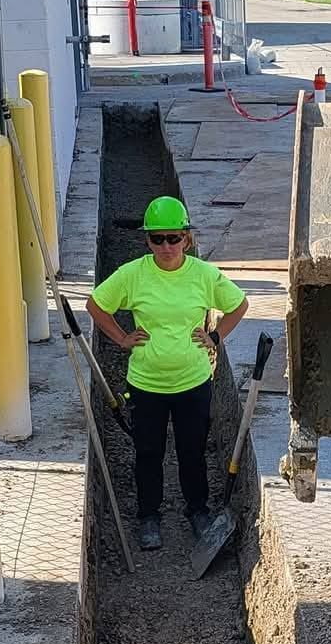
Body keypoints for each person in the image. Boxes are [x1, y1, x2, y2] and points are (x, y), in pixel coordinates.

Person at [86, 195, 248, 551]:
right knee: (148, 452)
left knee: (192, 450)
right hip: (147, 383)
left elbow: (239, 304)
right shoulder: (134, 275)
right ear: (147, 240)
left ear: (187, 238)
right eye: (158, 239)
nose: (166, 246)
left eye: (174, 238)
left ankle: (197, 511)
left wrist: (216, 336)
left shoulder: (203, 276)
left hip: (193, 381)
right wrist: (122, 338)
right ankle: (148, 516)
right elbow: (96, 305)